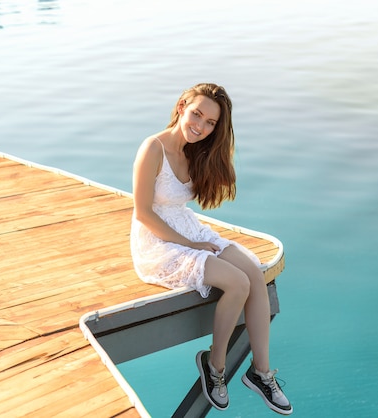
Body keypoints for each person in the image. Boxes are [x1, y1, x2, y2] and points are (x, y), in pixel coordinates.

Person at [130, 83, 293, 415]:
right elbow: (143, 213)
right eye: (197, 115)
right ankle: (214, 366)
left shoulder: (196, 150)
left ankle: (260, 372)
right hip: (157, 241)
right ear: (181, 107)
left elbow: (186, 203)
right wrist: (191, 245)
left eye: (210, 123)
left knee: (253, 272)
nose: (200, 126)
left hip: (186, 226)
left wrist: (194, 239)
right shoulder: (153, 148)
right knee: (237, 283)